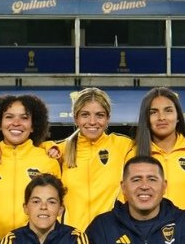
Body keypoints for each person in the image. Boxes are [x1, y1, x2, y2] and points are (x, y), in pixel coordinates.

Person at [0, 94, 61, 238]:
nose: (16, 123)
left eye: (24, 117)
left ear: (33, 126)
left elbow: (57, 210)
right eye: (9, 117)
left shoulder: (48, 161)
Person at [58, 87, 135, 232]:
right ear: (76, 118)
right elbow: (31, 150)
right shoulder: (60, 150)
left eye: (99, 115)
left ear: (108, 118)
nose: (92, 121)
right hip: (71, 239)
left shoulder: (124, 146)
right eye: (85, 115)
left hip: (111, 238)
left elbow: (159, 148)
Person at [133, 86, 185, 213]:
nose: (161, 117)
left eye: (168, 111)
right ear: (146, 119)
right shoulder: (132, 154)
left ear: (178, 116)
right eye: (153, 112)